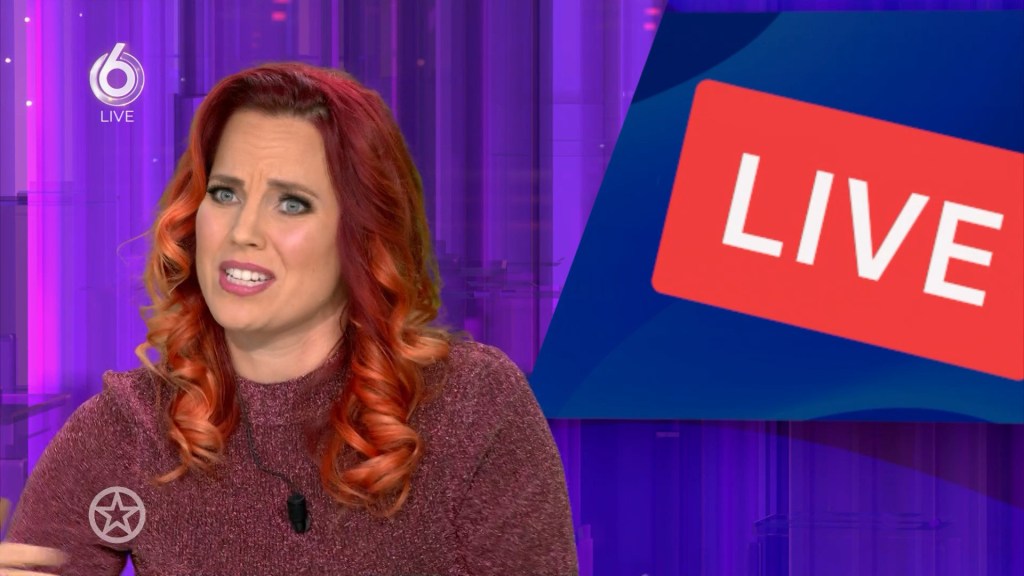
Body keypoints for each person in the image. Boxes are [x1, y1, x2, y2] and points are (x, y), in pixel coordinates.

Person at [0, 62, 578, 575]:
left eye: (292, 203)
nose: (242, 231)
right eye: (224, 193)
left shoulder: (473, 405)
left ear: (362, 238)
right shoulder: (125, 428)